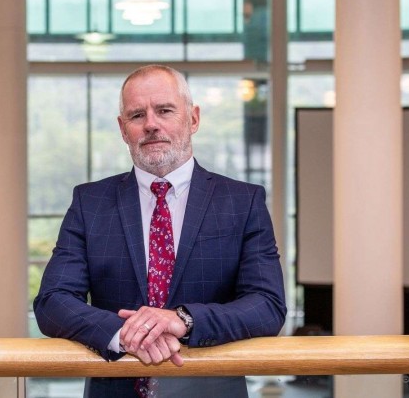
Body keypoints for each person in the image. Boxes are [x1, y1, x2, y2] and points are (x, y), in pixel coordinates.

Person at [34, 64, 287, 398]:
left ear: (193, 119)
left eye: (164, 110)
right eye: (137, 115)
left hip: (209, 390)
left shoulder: (242, 201)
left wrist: (184, 319)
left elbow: (268, 304)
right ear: (123, 129)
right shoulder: (90, 203)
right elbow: (53, 301)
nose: (151, 124)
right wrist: (125, 333)